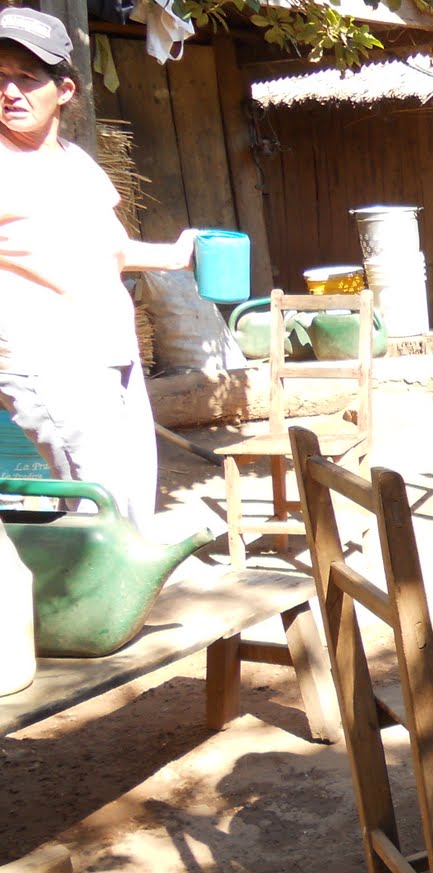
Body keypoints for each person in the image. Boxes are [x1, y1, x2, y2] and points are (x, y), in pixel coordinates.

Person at [0, 8, 195, 532]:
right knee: (98, 509)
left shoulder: (74, 160)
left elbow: (107, 249)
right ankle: (93, 613)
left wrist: (176, 255)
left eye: (25, 77)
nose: (10, 92)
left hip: (111, 349)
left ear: (63, 90)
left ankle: (123, 612)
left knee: (130, 501)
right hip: (49, 358)